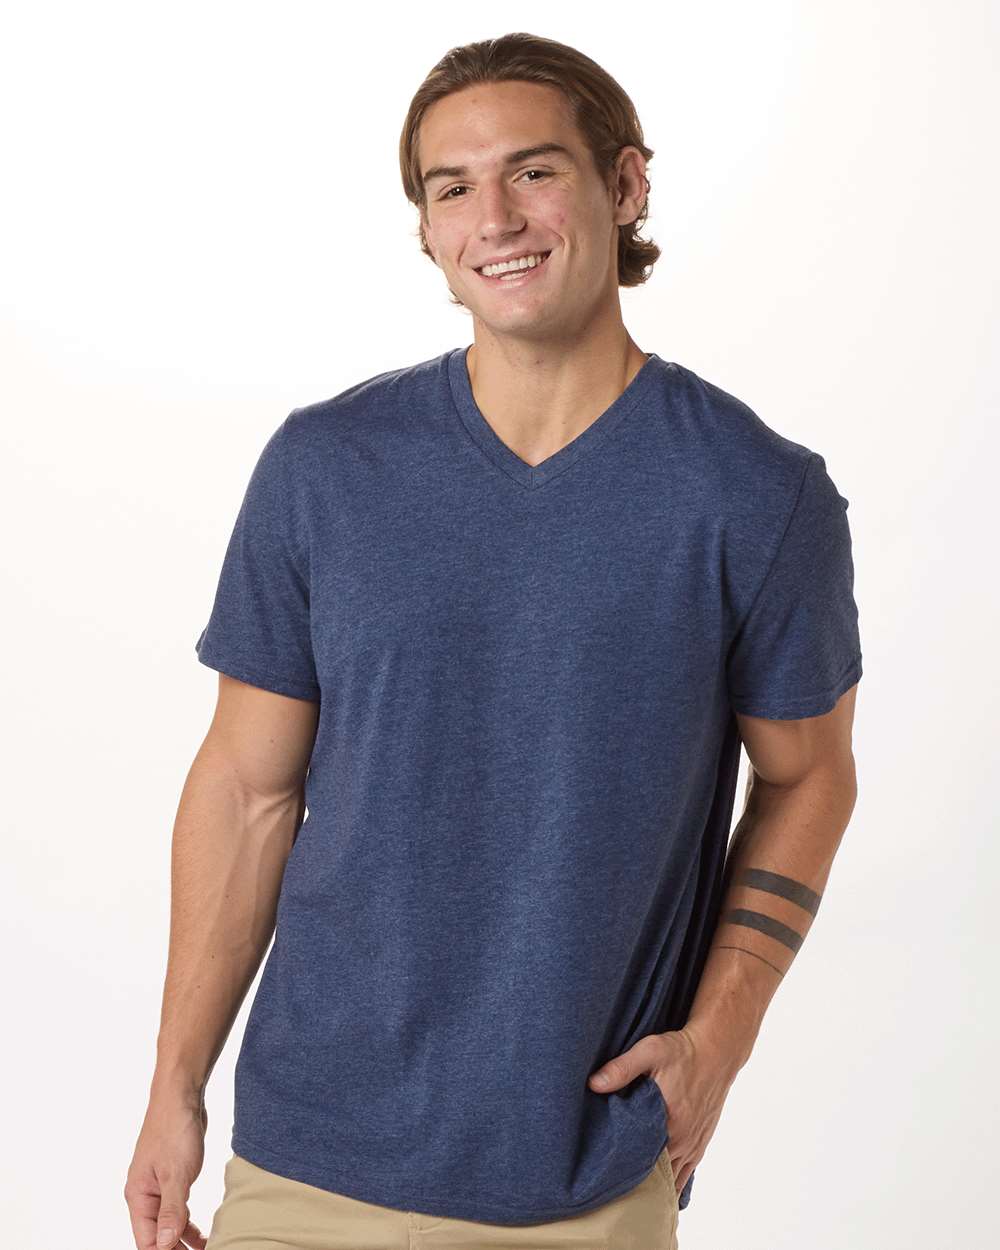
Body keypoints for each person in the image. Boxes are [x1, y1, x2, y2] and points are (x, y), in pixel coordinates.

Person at [124, 31, 863, 1250]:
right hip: (307, 1160)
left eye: (533, 171)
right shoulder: (325, 469)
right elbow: (248, 789)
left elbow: (807, 775)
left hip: (582, 1175)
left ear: (623, 184)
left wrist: (721, 1035)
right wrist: (175, 1084)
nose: (496, 218)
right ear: (425, 228)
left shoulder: (753, 494)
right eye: (452, 187)